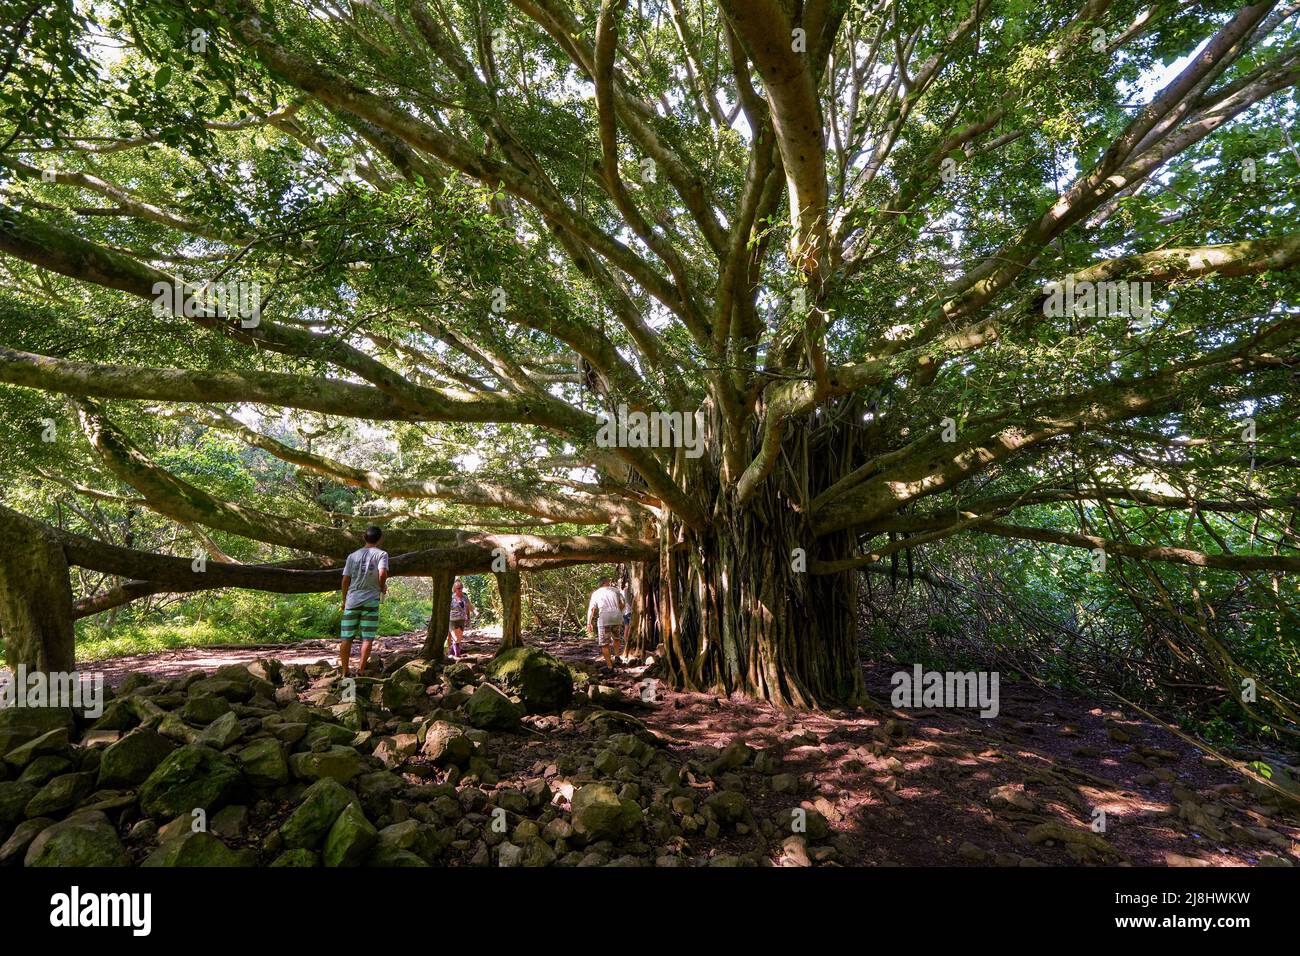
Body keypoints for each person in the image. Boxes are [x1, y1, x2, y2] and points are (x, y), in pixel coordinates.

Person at [340, 525, 388, 678]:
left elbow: (345, 579)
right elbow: (382, 574)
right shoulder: (382, 554)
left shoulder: (352, 556)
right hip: (371, 600)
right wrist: (381, 588)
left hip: (352, 600)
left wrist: (343, 599)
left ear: (363, 537)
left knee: (347, 637)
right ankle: (360, 670)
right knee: (367, 637)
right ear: (380, 539)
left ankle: (345, 671)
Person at [586, 576, 627, 671]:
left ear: (600, 583)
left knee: (604, 644)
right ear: (607, 582)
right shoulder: (616, 590)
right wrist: (619, 611)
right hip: (617, 618)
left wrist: (589, 622)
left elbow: (592, 609)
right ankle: (617, 656)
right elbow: (623, 603)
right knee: (616, 638)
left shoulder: (596, 593)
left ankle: (610, 666)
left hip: (604, 619)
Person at [447, 578, 473, 659]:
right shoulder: (451, 598)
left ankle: (449, 654)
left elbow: (470, 607)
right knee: (456, 638)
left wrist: (474, 614)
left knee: (458, 640)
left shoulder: (465, 597)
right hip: (453, 621)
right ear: (454, 589)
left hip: (462, 620)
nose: (460, 589)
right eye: (458, 588)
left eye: (461, 587)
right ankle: (457, 656)